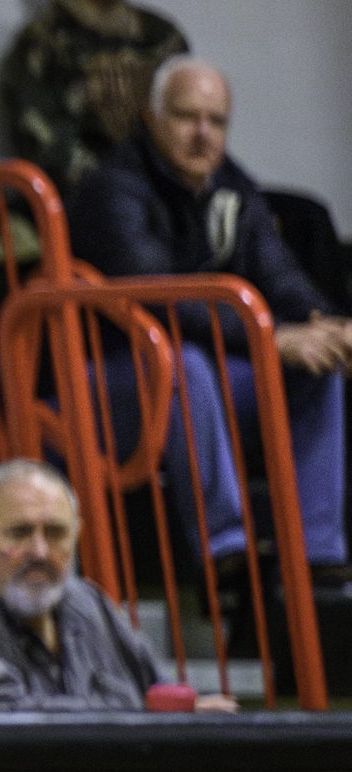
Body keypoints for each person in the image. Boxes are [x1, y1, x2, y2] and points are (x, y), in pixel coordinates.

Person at [68, 58, 352, 581]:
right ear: (150, 119)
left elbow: (279, 272)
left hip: (192, 380)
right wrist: (272, 339)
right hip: (104, 386)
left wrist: (330, 324)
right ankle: (226, 548)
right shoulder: (112, 190)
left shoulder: (232, 184)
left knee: (317, 365)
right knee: (183, 361)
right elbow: (162, 302)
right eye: (186, 117)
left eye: (216, 121)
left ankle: (319, 554)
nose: (204, 135)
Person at [0, 459, 235, 711]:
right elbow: (13, 729)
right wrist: (138, 716)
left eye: (56, 533)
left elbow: (158, 694)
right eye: (19, 533)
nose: (40, 552)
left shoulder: (90, 602)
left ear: (77, 537)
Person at [0, 0, 188, 196]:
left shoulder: (163, 38)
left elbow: (191, 127)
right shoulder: (43, 45)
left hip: (169, 198)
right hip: (91, 205)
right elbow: (52, 154)